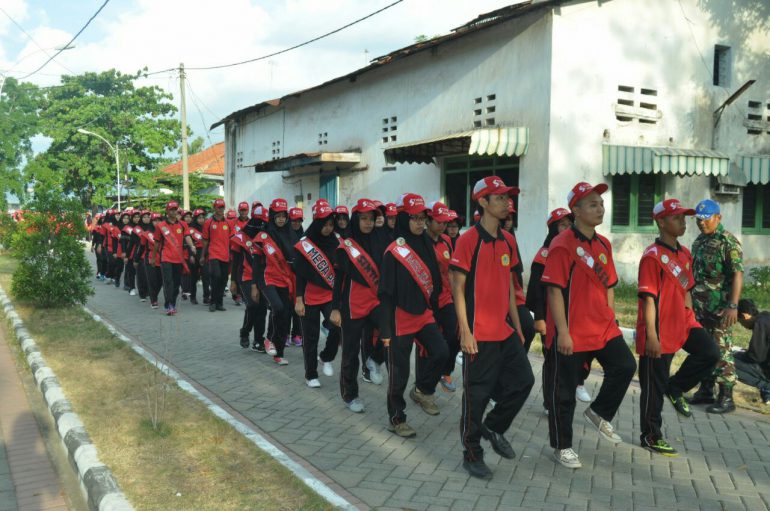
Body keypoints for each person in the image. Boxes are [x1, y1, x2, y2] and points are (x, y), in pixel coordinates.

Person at [541, 182, 636, 470]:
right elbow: (554, 291)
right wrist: (563, 332)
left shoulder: (603, 244)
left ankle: (598, 412)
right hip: (572, 332)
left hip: (603, 327)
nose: (600, 208)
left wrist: (612, 317)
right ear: (576, 211)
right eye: (592, 204)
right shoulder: (562, 245)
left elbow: (609, 285)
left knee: (625, 366)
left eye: (601, 203)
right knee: (565, 394)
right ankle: (562, 446)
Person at [450, 176, 534, 480]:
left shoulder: (508, 240)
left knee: (524, 381)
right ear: (482, 202)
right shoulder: (468, 240)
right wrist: (465, 331)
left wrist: (516, 323)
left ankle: (495, 426)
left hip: (503, 329)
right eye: (499, 198)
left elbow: (509, 287)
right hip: (478, 334)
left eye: (507, 197)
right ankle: (471, 453)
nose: (506, 202)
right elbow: (456, 287)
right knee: (476, 395)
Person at [636, 199, 720, 456]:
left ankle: (677, 387)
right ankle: (651, 436)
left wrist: (690, 317)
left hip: (682, 322)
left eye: (685, 218)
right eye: (677, 218)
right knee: (653, 388)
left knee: (710, 353)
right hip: (658, 330)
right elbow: (648, 298)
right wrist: (651, 336)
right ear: (661, 222)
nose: (684, 222)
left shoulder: (684, 253)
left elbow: (686, 290)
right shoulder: (652, 257)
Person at [379, 193, 448, 438]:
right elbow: (385, 293)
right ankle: (397, 419)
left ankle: (422, 390)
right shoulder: (393, 251)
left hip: (424, 315)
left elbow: (435, 282)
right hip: (399, 319)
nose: (420, 223)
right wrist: (385, 330)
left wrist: (436, 312)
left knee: (442, 352)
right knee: (399, 374)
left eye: (423, 218)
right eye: (415, 218)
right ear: (403, 218)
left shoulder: (427, 243)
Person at [331, 199, 390, 412]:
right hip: (352, 305)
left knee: (391, 333)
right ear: (356, 219)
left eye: (371, 219)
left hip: (376, 301)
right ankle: (350, 395)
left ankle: (374, 360)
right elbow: (338, 279)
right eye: (363, 218)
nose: (368, 223)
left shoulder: (382, 239)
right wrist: (335, 307)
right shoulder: (345, 245)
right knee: (350, 353)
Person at [688, 199, 744, 414]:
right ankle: (705, 389)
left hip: (720, 308)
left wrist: (733, 305)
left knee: (722, 349)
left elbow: (738, 274)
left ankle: (727, 396)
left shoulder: (727, 242)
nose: (702, 223)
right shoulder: (699, 241)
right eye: (699, 220)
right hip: (700, 307)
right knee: (704, 348)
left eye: (706, 219)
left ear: (718, 217)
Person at [294, 202, 341, 387]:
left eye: (331, 225)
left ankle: (326, 356)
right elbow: (299, 274)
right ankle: (311, 374)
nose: (328, 229)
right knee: (310, 338)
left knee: (338, 327)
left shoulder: (336, 242)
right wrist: (299, 299)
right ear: (316, 223)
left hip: (330, 295)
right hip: (309, 298)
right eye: (325, 225)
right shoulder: (305, 244)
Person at [255, 198, 299, 365]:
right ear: (272, 216)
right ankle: (269, 339)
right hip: (268, 278)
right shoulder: (263, 236)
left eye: (283, 216)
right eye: (277, 216)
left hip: (286, 280)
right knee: (278, 307)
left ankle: (278, 353)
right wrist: (254, 284)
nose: (281, 219)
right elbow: (257, 262)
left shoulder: (292, 235)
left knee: (285, 316)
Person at [425, 201, 460, 393]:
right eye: (438, 221)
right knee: (427, 346)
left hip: (446, 297)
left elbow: (452, 271)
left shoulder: (446, 241)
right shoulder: (420, 241)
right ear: (428, 221)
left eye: (445, 222)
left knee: (455, 333)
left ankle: (445, 371)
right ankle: (425, 383)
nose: (442, 226)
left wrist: (456, 294)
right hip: (427, 300)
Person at [153, 202, 194, 315]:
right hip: (166, 258)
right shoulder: (161, 226)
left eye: (175, 209)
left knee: (176, 284)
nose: (173, 212)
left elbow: (187, 237)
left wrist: (192, 246)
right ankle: (168, 305)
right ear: (167, 211)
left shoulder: (183, 225)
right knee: (168, 282)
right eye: (171, 209)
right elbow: (156, 243)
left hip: (178, 258)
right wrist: (153, 257)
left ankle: (173, 303)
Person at [230, 220, 262, 349]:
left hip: (263, 278)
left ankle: (259, 340)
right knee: (252, 305)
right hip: (246, 276)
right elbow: (236, 261)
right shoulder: (240, 238)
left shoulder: (267, 236)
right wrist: (233, 281)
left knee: (262, 310)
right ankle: (245, 332)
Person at [735, 299, 770, 404]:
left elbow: (756, 357)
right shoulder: (766, 317)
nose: (742, 326)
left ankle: (767, 387)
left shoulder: (760, 324)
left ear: (745, 316)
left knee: (726, 361)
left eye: (740, 322)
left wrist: (739, 353)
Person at [202, 199, 232, 312]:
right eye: (218, 207)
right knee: (216, 277)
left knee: (223, 279)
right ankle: (212, 302)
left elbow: (231, 239)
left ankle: (219, 303)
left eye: (222, 207)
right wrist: (202, 255)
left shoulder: (228, 223)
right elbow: (205, 240)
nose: (220, 209)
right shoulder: (208, 223)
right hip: (213, 254)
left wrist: (231, 254)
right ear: (214, 208)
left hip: (225, 255)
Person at [288, 207, 305, 346]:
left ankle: (297, 334)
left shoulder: (304, 235)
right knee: (286, 307)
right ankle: (285, 334)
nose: (296, 223)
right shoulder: (284, 234)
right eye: (293, 220)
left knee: (298, 306)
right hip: (285, 275)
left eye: (299, 221)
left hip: (299, 275)